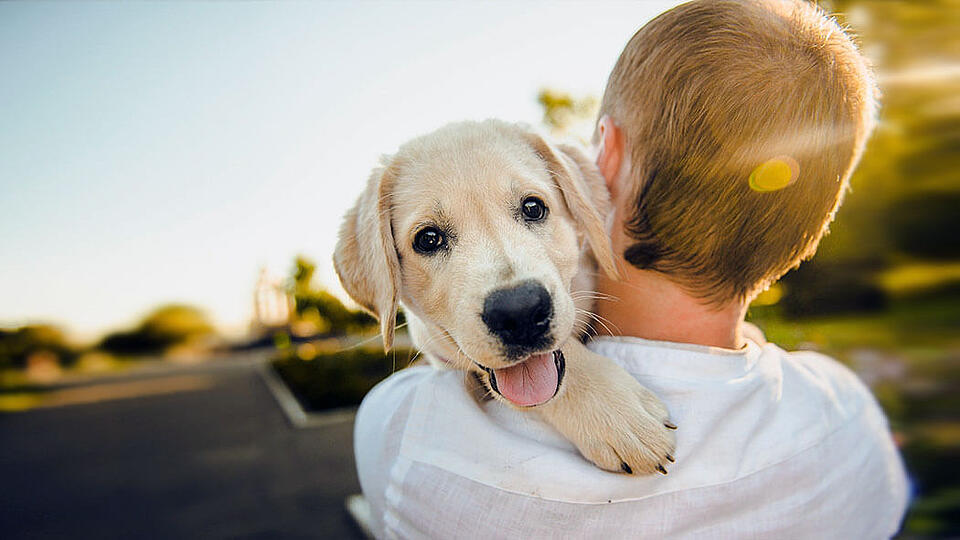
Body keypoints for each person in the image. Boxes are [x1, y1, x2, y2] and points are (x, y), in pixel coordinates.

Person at [353, 1, 909, 537]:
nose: (511, 285)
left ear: (603, 162)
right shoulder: (849, 414)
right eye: (431, 239)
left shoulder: (406, 437)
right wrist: (573, 383)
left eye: (531, 210)